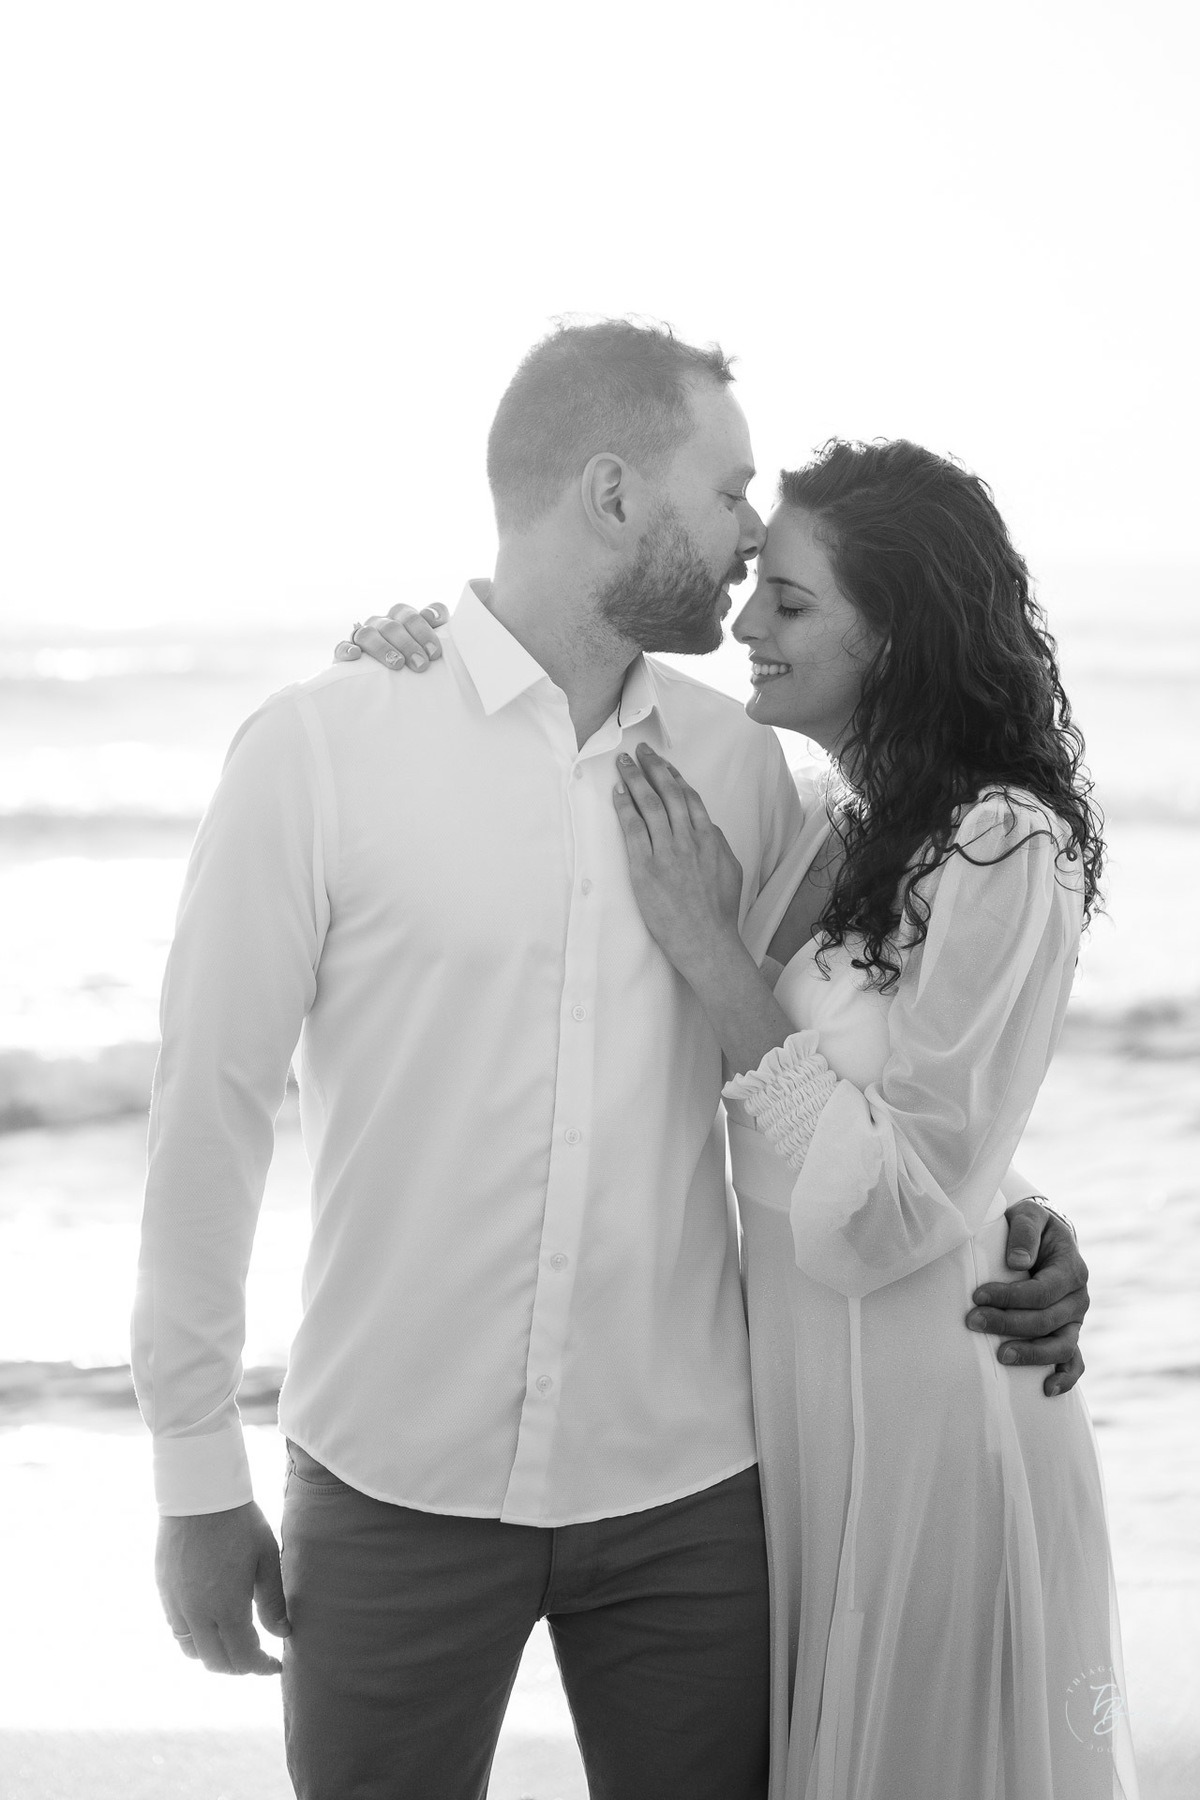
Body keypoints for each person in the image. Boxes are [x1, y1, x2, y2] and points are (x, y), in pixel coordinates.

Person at [135, 321, 1091, 1800]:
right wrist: (195, 1474)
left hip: (694, 1493)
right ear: (610, 494)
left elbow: (867, 1049)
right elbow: (206, 1114)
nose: (750, 537)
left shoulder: (744, 769)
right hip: (397, 1474)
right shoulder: (323, 748)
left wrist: (1018, 1220)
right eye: (728, 497)